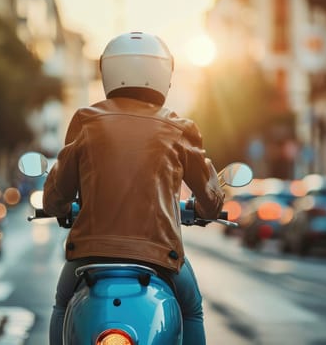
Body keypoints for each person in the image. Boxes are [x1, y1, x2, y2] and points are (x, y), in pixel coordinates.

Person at [43, 31, 225, 345]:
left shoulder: (86, 121)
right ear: (164, 74)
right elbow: (210, 202)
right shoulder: (179, 128)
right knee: (191, 308)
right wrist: (206, 205)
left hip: (89, 256)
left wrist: (60, 208)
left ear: (108, 72)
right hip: (160, 256)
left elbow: (55, 196)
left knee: (62, 303)